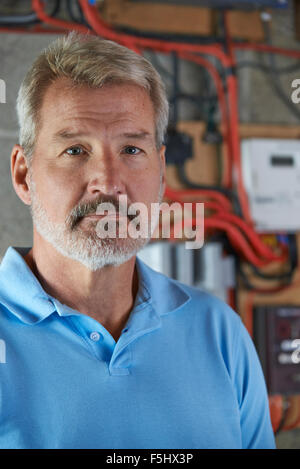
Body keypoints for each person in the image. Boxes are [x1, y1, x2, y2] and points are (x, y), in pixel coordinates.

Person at [0, 32, 275, 449]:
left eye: (131, 149)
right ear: (23, 174)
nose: (109, 183)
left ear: (161, 173)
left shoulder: (220, 334)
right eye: (75, 150)